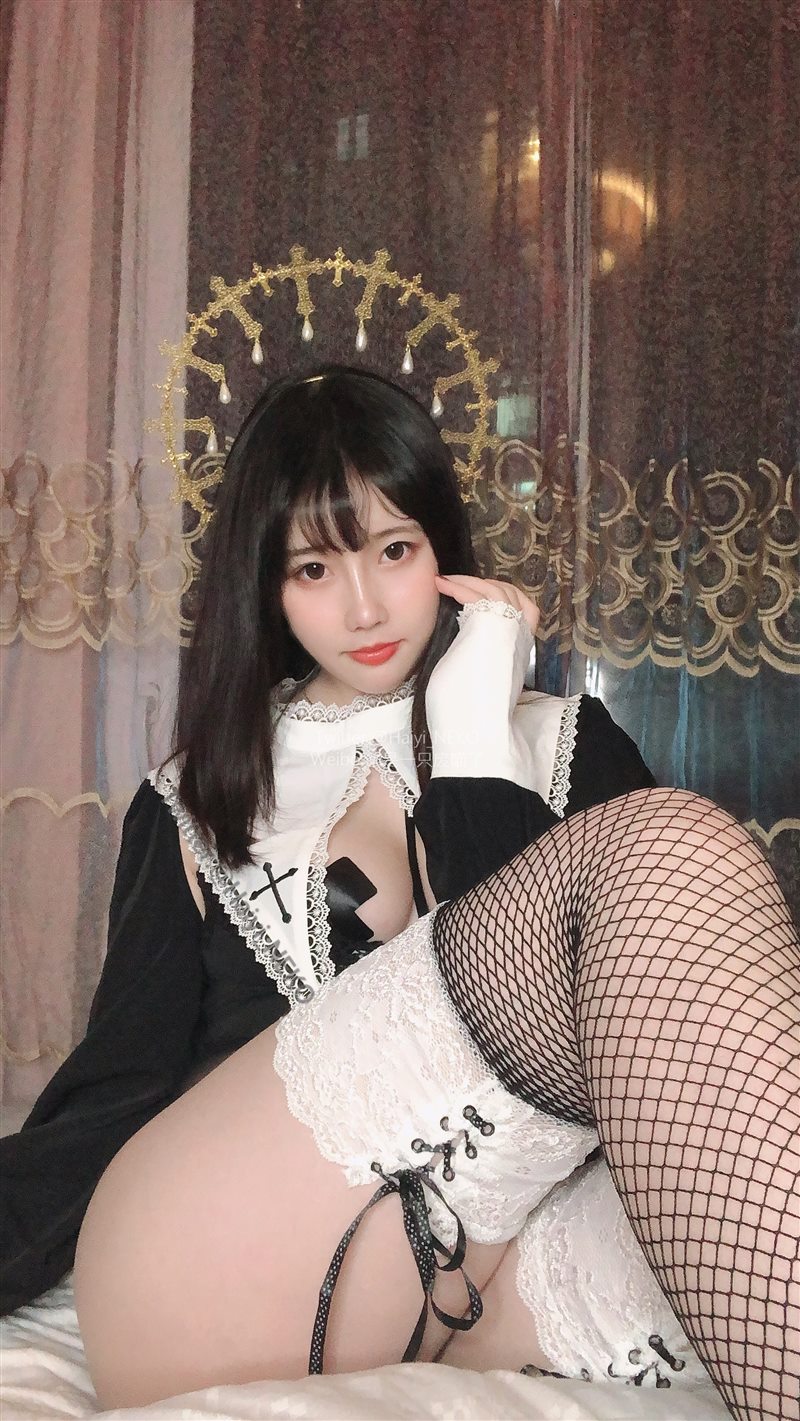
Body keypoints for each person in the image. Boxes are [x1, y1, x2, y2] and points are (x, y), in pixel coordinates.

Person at [7, 370, 799, 1421]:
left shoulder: (566, 742)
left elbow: (648, 1061)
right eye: (313, 568)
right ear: (267, 588)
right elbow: (113, 1089)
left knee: (747, 1220)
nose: (365, 607)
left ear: (442, 552)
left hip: (464, 1274)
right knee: (677, 838)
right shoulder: (195, 798)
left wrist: (472, 730)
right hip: (216, 1275)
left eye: (393, 549)